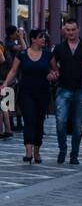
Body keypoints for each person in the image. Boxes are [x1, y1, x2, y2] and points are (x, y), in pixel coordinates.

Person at [3, 28, 57, 163]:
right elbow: (13, 71)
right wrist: (4, 84)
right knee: (29, 120)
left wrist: (53, 75)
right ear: (33, 39)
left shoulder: (48, 55)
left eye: (44, 37)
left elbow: (56, 70)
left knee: (39, 122)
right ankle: (28, 153)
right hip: (26, 92)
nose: (43, 39)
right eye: (40, 37)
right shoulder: (22, 54)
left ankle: (37, 152)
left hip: (43, 92)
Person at [52, 17, 82, 164]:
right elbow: (51, 63)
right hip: (63, 88)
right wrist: (54, 72)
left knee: (78, 124)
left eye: (73, 30)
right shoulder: (59, 48)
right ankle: (62, 149)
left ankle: (74, 154)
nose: (70, 33)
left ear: (78, 30)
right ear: (64, 31)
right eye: (68, 30)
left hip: (80, 90)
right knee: (60, 121)